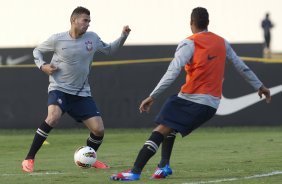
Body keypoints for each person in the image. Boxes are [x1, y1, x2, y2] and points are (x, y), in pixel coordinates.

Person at [110, 7, 271, 181]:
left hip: (194, 100)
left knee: (160, 129)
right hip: (209, 104)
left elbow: (172, 71)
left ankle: (135, 171)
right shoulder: (222, 42)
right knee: (168, 122)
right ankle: (163, 166)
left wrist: (153, 95)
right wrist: (260, 86)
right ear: (208, 23)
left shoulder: (190, 43)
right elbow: (241, 66)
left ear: (191, 23)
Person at [21, 6, 131, 173]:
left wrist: (124, 36)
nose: (88, 24)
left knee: (98, 130)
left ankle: (89, 158)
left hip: (81, 93)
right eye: (85, 20)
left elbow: (110, 50)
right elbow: (37, 51)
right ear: (74, 20)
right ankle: (29, 158)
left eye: (89, 21)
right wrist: (43, 66)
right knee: (53, 117)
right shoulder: (58, 39)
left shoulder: (92, 38)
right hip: (59, 89)